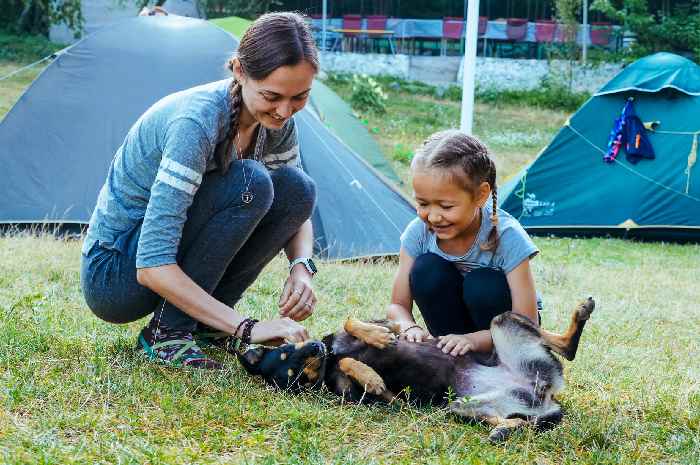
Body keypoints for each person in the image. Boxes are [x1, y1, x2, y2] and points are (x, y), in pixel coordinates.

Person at [80, 12, 321, 369]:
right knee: (249, 183)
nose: (285, 110)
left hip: (159, 262)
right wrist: (245, 328)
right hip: (115, 275)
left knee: (297, 187)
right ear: (239, 71)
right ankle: (168, 332)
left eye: (299, 97)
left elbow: (295, 206)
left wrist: (301, 267)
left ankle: (207, 326)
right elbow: (151, 265)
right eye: (272, 95)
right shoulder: (197, 122)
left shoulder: (277, 120)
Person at [386, 130, 541, 356]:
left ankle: (489, 357)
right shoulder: (418, 233)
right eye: (423, 203)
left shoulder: (508, 236)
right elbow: (397, 306)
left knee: (482, 283)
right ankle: (455, 358)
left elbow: (527, 325)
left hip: (509, 340)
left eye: (446, 206)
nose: (434, 216)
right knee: (427, 268)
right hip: (453, 342)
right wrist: (409, 326)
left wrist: (473, 340)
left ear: (480, 195)